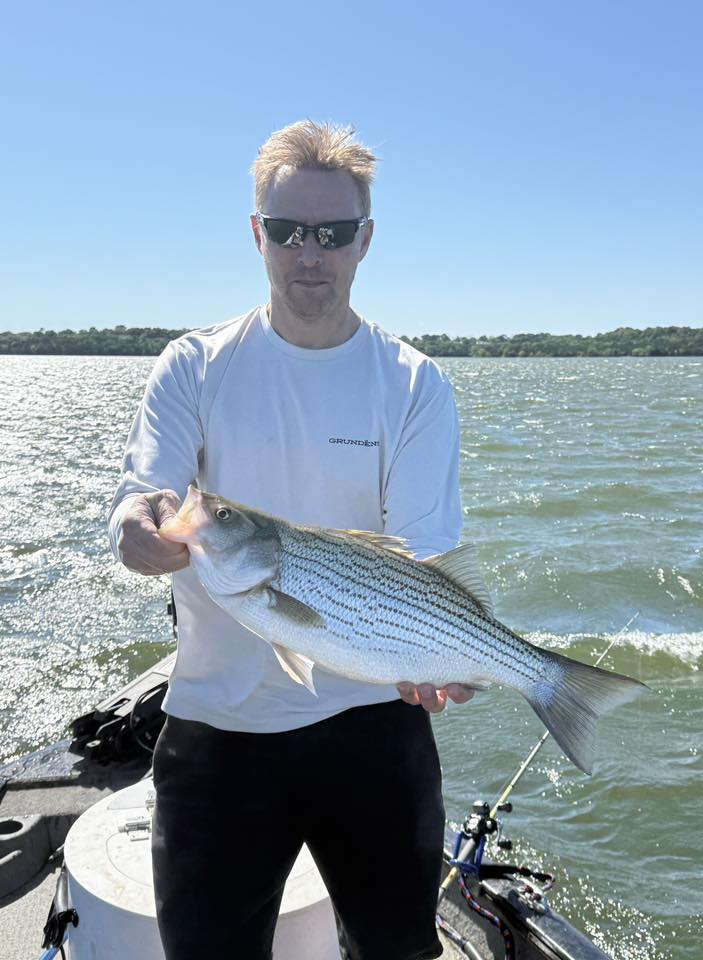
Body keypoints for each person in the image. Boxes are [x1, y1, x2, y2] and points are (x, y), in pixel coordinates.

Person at [108, 119, 474, 960]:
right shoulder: (194, 366)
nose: (310, 254)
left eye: (334, 233)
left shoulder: (413, 383)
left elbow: (419, 552)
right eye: (288, 231)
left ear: (365, 240)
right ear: (257, 234)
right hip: (215, 726)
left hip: (374, 719)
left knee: (398, 951)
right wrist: (135, 527)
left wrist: (436, 654)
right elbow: (147, 493)